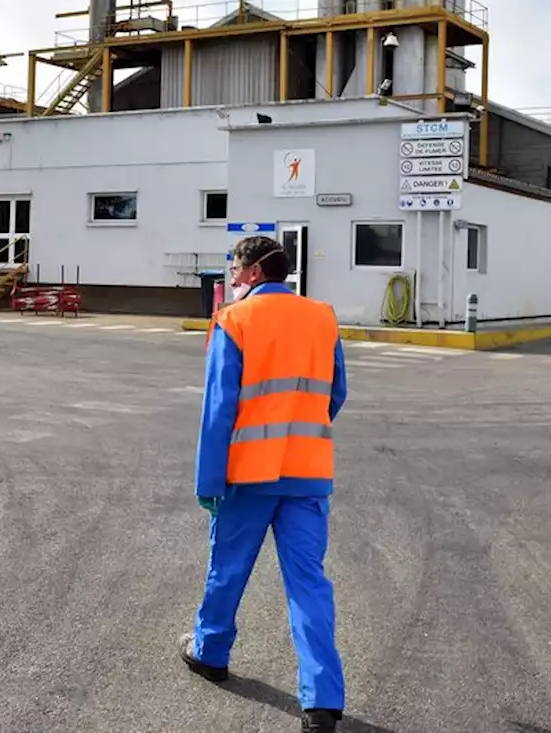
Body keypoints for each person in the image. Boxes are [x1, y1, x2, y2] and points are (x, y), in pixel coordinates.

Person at [178, 235, 348, 733]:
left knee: (227, 571)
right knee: (309, 584)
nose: (231, 271)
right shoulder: (322, 316)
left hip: (248, 476)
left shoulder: (234, 320)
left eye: (235, 263)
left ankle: (210, 652)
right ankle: (321, 701)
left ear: (253, 272)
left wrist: (209, 481)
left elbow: (218, 410)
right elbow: (334, 393)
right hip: (308, 473)